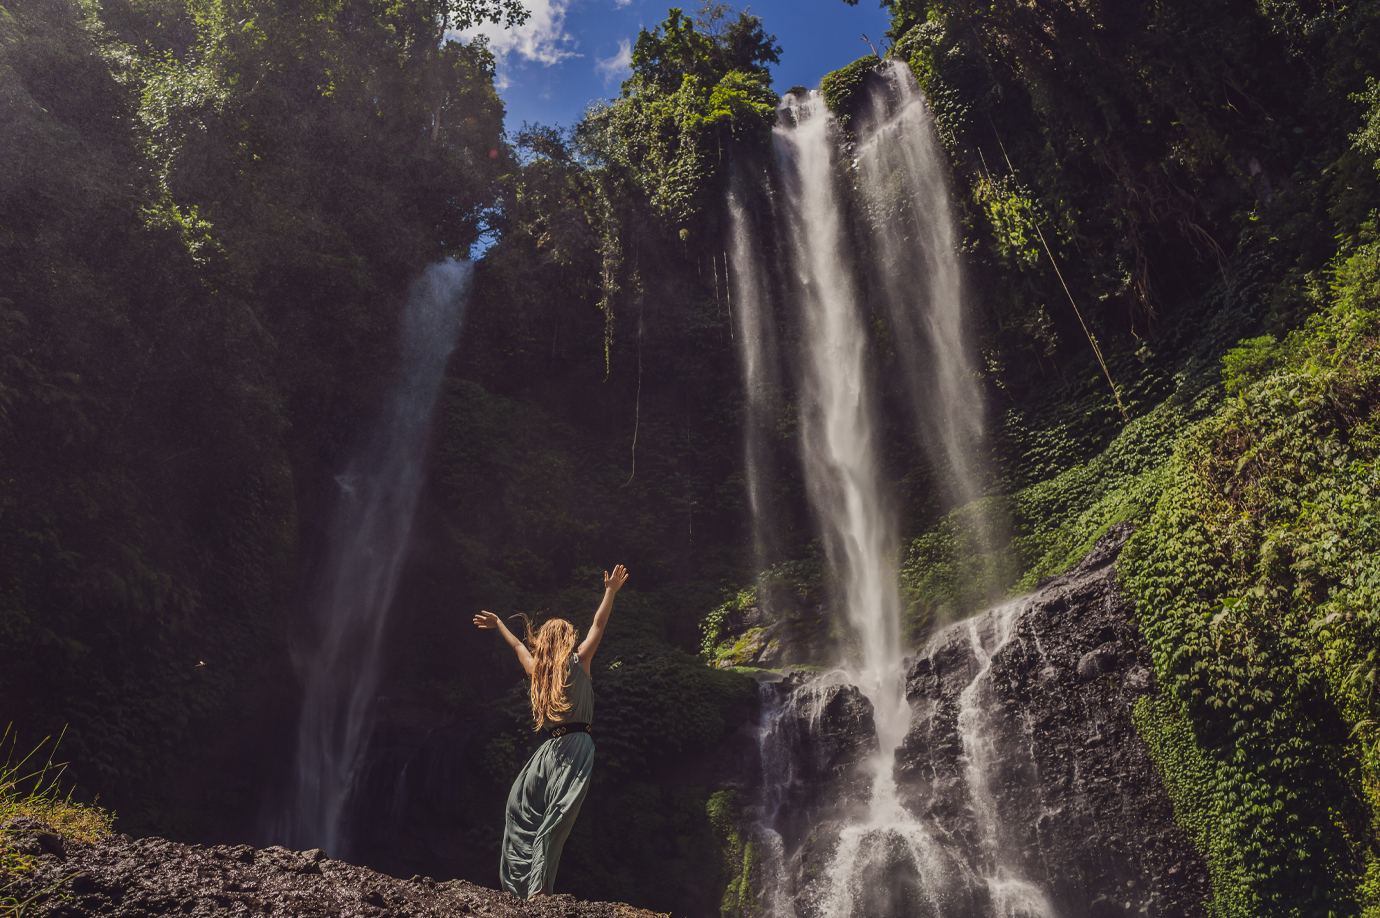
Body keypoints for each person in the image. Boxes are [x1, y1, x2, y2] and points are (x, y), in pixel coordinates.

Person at [472, 564, 629, 899]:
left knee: (542, 814)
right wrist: (610, 591)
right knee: (528, 807)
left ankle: (536, 890)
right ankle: (528, 890)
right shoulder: (565, 664)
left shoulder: (557, 665)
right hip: (559, 749)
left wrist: (499, 623)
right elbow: (598, 624)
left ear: (544, 642)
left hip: (564, 748)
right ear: (566, 638)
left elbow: (518, 648)